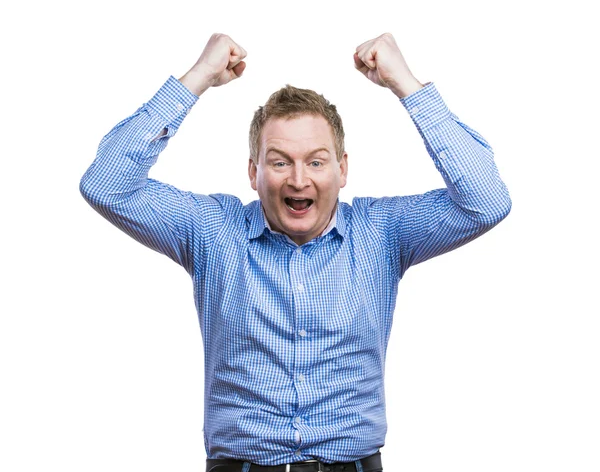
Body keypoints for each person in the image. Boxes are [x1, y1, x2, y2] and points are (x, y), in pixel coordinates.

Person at [80, 32, 511, 472]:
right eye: (280, 161)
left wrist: (405, 83)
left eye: (317, 161)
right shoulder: (212, 230)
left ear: (342, 169)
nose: (299, 180)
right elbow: (105, 185)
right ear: (254, 171)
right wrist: (197, 78)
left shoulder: (382, 233)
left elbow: (487, 201)